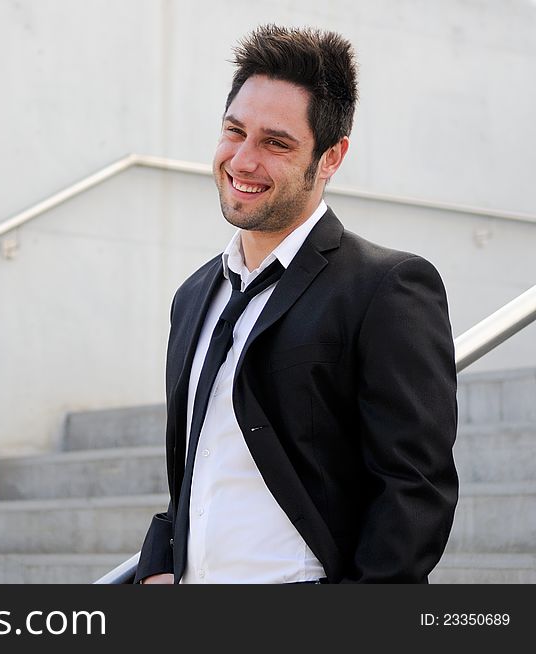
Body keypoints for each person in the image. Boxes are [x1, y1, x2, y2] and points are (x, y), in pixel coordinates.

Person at [134, 24, 458, 584]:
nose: (242, 160)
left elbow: (414, 490)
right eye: (234, 131)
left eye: (276, 143)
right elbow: (194, 470)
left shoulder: (388, 287)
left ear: (330, 157)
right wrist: (159, 566)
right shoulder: (193, 296)